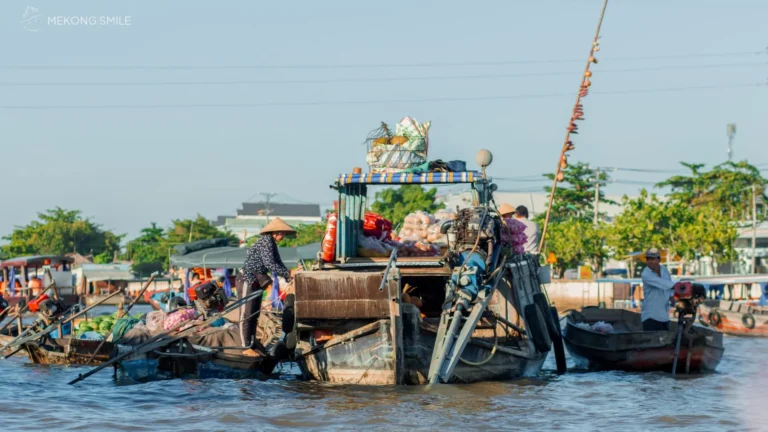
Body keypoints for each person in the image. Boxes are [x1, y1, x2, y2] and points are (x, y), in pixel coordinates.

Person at [238, 217, 296, 357]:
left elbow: (278, 262)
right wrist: (287, 273)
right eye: (281, 233)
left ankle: (252, 343)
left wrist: (289, 276)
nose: (283, 236)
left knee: (254, 314)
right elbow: (270, 263)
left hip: (257, 280)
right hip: (248, 278)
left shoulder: (272, 244)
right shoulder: (266, 241)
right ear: (274, 232)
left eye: (284, 234)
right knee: (246, 314)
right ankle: (245, 346)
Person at [640, 247, 676, 331]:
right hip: (651, 316)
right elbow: (664, 284)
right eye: (648, 259)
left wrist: (673, 298)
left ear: (659, 260)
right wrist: (679, 286)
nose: (649, 261)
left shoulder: (664, 270)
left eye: (652, 259)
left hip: (664, 316)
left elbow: (669, 288)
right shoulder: (646, 274)